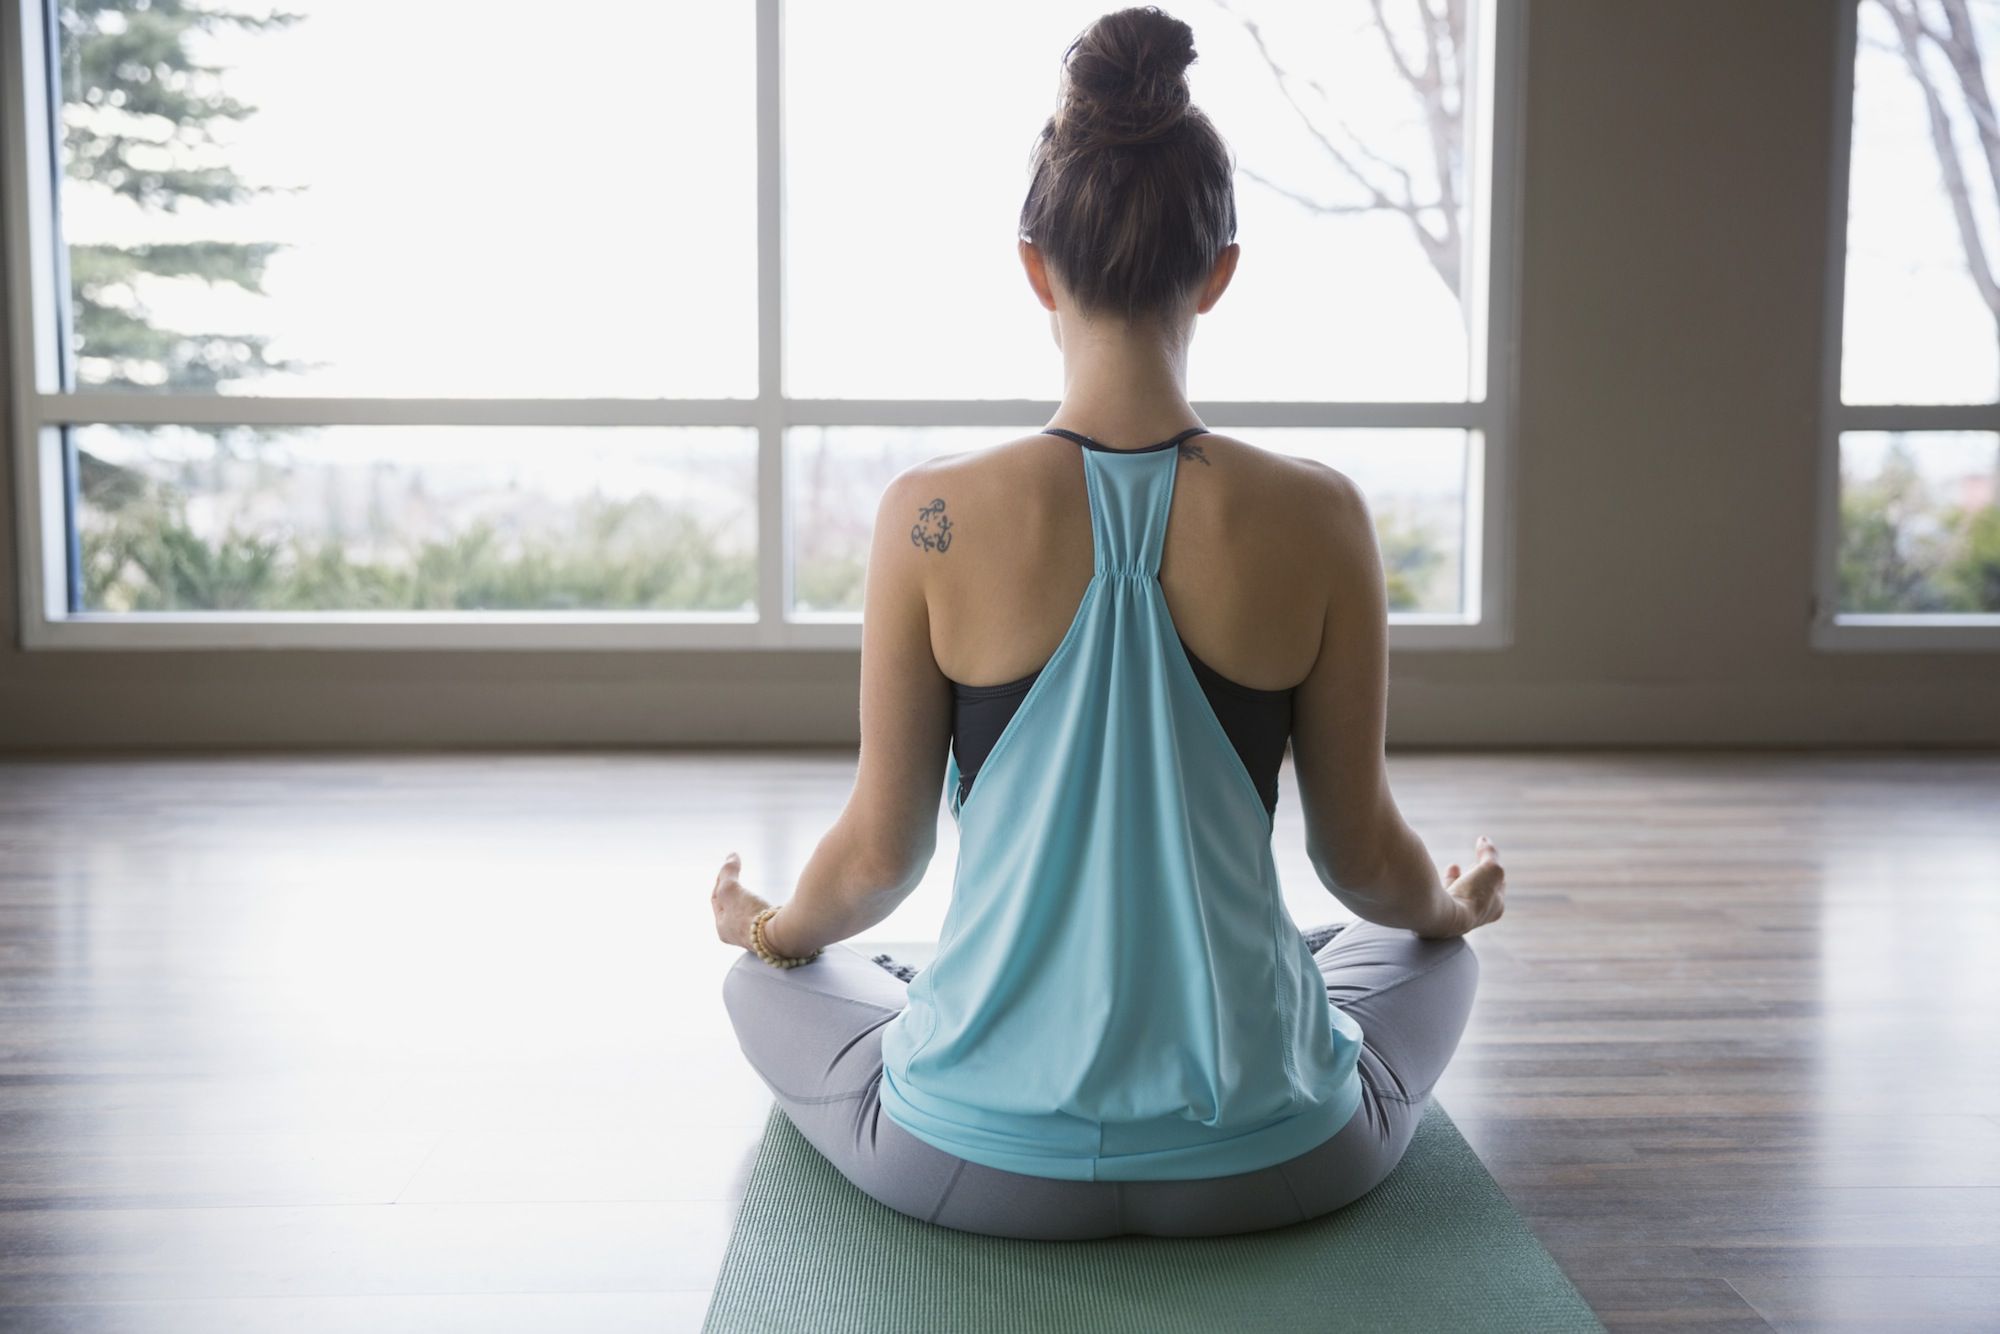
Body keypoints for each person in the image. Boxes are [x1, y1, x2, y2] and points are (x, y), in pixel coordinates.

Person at [711, 4, 1505, 1240]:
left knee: (773, 987)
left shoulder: (927, 513)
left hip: (971, 1164)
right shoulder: (1321, 516)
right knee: (1427, 956)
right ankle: (1245, 984)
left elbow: (878, 860)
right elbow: (1359, 859)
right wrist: (1445, 907)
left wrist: (765, 926)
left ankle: (982, 989)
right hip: (1272, 1158)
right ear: (1220, 271)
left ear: (1033, 267)